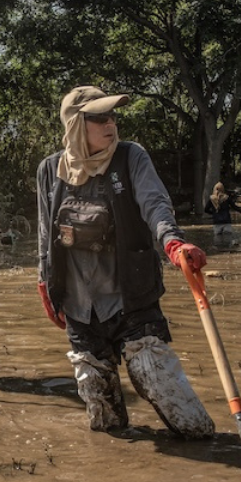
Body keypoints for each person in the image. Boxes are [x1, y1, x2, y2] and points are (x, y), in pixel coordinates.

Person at [35, 86, 214, 438]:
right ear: (74, 125)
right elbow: (45, 234)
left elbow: (155, 205)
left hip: (130, 299)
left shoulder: (131, 157)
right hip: (78, 306)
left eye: (112, 116)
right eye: (99, 118)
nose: (110, 124)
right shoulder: (48, 171)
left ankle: (207, 440)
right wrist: (45, 283)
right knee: (105, 424)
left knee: (163, 388)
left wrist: (174, 243)